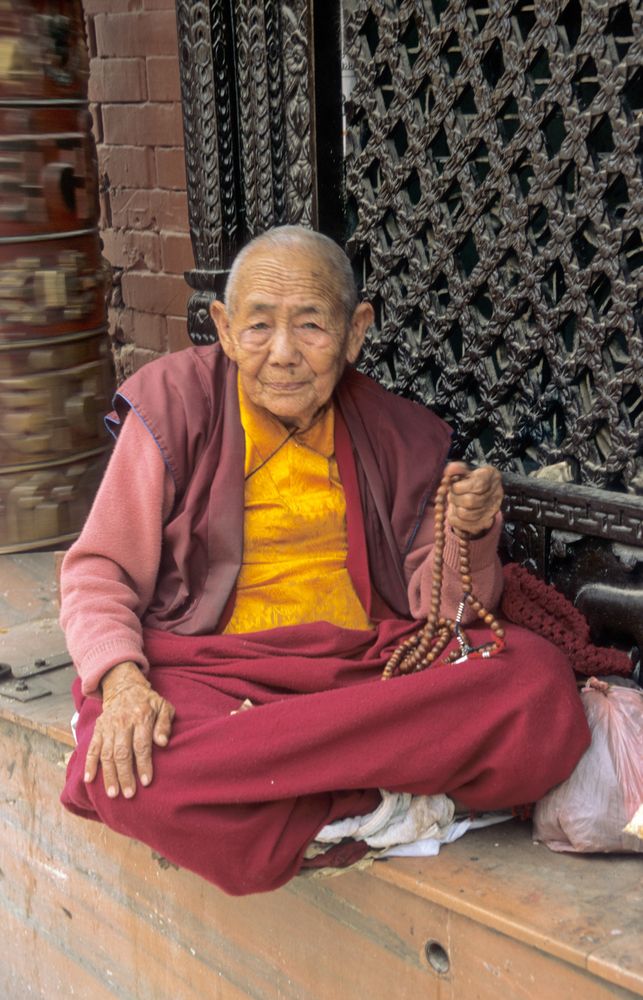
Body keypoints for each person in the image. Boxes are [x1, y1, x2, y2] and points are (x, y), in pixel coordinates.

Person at [60, 226, 590, 895]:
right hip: (218, 670)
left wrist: (469, 534)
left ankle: (298, 808)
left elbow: (444, 614)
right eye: (257, 326)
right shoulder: (174, 405)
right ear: (222, 328)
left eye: (311, 325)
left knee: (536, 685)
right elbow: (98, 570)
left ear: (354, 331)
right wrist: (124, 683)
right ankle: (380, 808)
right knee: (127, 768)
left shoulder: (396, 433)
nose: (282, 354)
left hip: (362, 668)